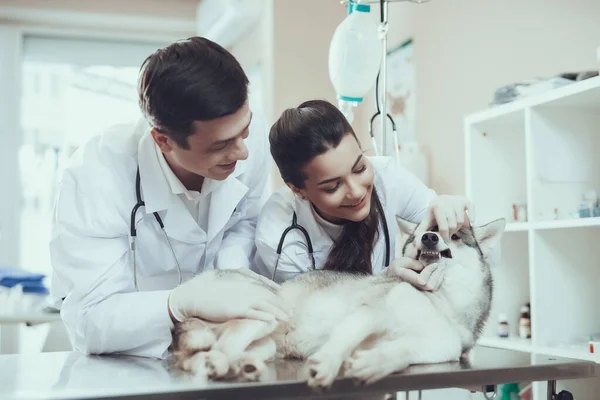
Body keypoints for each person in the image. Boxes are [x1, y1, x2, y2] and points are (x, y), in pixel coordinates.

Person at [49, 37, 286, 359]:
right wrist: (182, 301)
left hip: (216, 350)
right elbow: (88, 324)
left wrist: (230, 276)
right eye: (219, 145)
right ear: (163, 140)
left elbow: (245, 221)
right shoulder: (95, 177)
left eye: (244, 130)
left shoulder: (244, 139)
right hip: (130, 360)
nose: (242, 151)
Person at [253, 100, 474, 285]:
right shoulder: (279, 233)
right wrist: (384, 283)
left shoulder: (388, 177)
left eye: (360, 168)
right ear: (298, 190)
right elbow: (315, 318)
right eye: (332, 187)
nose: (357, 192)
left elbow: (475, 252)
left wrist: (454, 214)